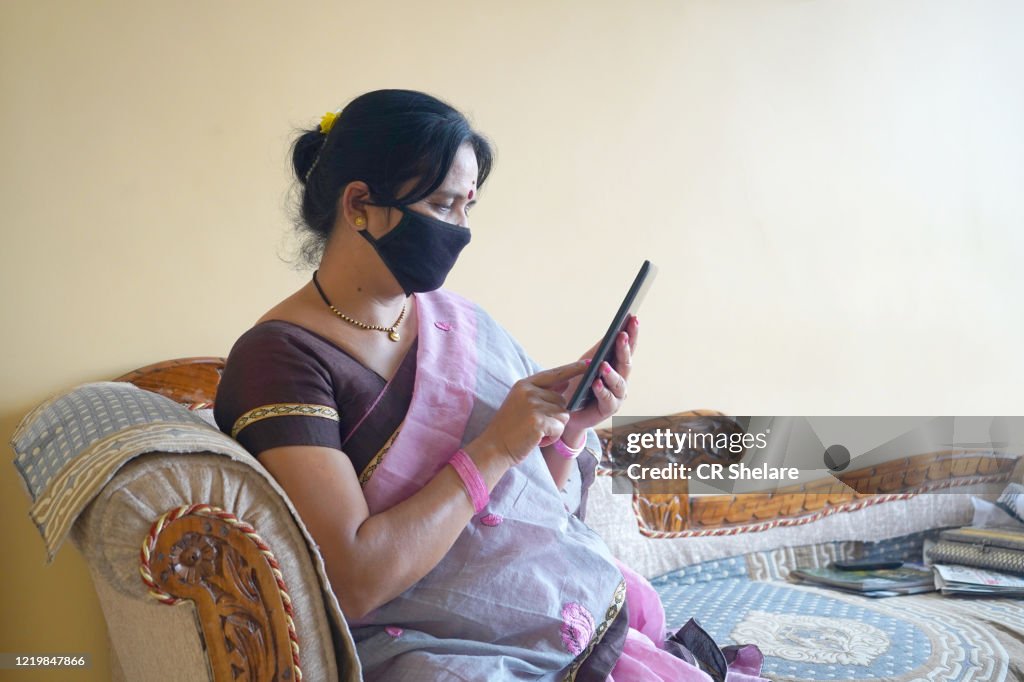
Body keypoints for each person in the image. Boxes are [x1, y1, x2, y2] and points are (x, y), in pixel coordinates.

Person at [214, 89, 765, 681]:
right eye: (444, 204)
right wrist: (495, 446)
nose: (461, 229)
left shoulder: (459, 324)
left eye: (468, 206)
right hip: (431, 647)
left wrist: (566, 434)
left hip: (547, 617)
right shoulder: (281, 359)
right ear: (360, 206)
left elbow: (523, 523)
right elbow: (352, 580)